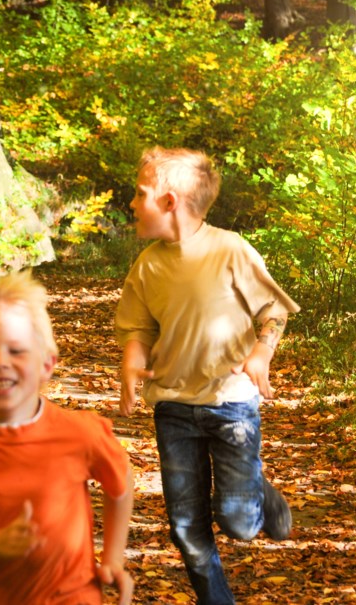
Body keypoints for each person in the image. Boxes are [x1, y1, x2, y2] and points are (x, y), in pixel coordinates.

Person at [115, 147, 299, 605]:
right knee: (185, 526)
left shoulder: (229, 249)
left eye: (141, 195)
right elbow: (138, 326)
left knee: (238, 522)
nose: (132, 204)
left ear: (170, 201)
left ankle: (258, 490)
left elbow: (273, 310)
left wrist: (262, 351)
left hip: (231, 401)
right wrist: (132, 360)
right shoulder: (147, 265)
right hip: (174, 408)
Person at [0, 271, 134, 605]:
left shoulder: (80, 433)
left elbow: (120, 483)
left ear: (46, 364)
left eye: (16, 351)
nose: (0, 362)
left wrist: (113, 559)